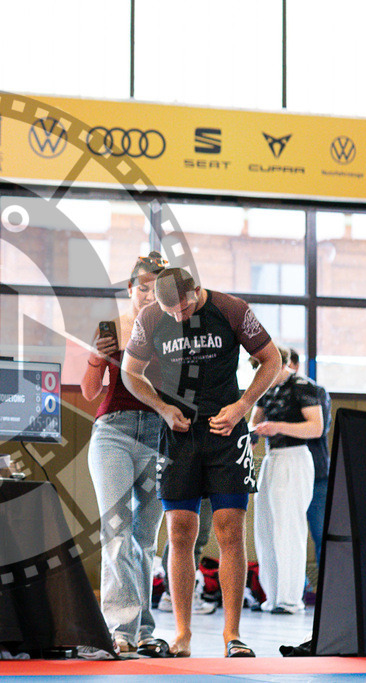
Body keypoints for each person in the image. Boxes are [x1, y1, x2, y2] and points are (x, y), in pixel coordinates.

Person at [122, 267, 281, 659]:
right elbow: (131, 373)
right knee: (179, 531)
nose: (178, 317)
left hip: (227, 432)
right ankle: (182, 633)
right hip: (178, 435)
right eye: (169, 311)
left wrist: (244, 405)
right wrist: (161, 408)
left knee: (229, 531)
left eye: (184, 308)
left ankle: (233, 635)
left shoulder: (231, 309)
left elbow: (271, 359)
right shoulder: (151, 317)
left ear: (197, 291)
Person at [79, 252, 168, 659]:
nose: (150, 294)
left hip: (159, 434)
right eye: (143, 287)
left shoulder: (173, 330)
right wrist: (98, 357)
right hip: (112, 431)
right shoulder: (112, 328)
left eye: (157, 288)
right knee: (117, 532)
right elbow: (88, 391)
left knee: (146, 539)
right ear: (131, 289)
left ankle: (143, 628)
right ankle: (119, 629)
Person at [248, 345, 322, 615]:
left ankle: (290, 599)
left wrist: (278, 427)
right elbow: (254, 422)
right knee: (265, 528)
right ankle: (273, 595)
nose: (263, 373)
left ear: (283, 363)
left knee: (289, 529)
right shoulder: (265, 386)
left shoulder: (303, 385)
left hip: (295, 457)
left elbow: (316, 427)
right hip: (272, 458)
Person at [287, 348, 332, 569]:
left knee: (322, 534)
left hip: (317, 474)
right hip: (286, 473)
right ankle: (296, 590)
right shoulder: (273, 393)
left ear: (294, 365)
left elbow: (320, 429)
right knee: (287, 536)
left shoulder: (314, 391)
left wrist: (284, 424)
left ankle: (327, 590)